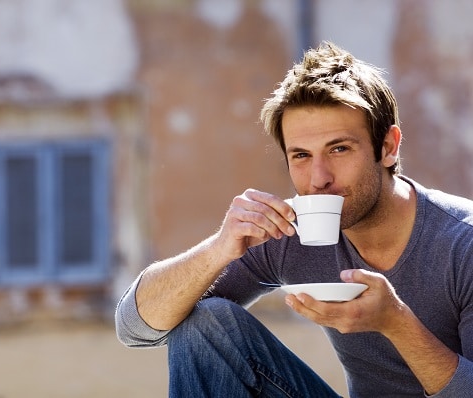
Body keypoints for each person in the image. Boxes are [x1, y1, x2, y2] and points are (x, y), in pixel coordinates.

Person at [114, 41, 473, 397]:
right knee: (208, 325)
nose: (319, 178)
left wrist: (397, 323)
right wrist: (220, 249)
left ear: (388, 147)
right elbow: (135, 329)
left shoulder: (463, 244)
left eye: (339, 149)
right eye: (301, 155)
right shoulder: (289, 231)